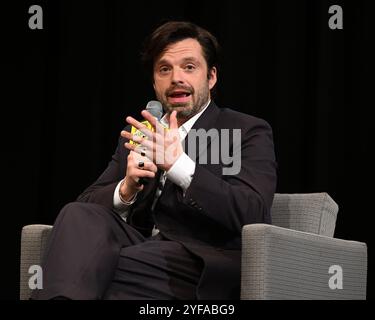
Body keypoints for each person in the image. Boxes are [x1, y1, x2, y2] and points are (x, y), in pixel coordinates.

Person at [32, 21, 277, 300]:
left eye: (189, 67)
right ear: (154, 82)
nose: (176, 78)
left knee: (84, 269)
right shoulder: (141, 133)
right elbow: (84, 207)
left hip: (198, 259)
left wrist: (179, 166)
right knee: (77, 215)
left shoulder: (243, 130)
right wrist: (126, 190)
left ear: (211, 78)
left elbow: (253, 212)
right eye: (164, 69)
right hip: (140, 247)